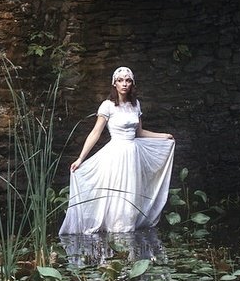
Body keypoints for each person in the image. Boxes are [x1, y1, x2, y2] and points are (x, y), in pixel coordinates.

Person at [59, 67, 176, 235]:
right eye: (120, 80)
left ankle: (127, 233)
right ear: (114, 83)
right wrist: (80, 158)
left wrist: (163, 136)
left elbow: (140, 133)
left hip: (133, 154)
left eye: (128, 80)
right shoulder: (107, 106)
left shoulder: (135, 105)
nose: (124, 84)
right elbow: (95, 133)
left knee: (131, 194)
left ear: (132, 83)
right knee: (116, 194)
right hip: (116, 154)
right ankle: (116, 232)